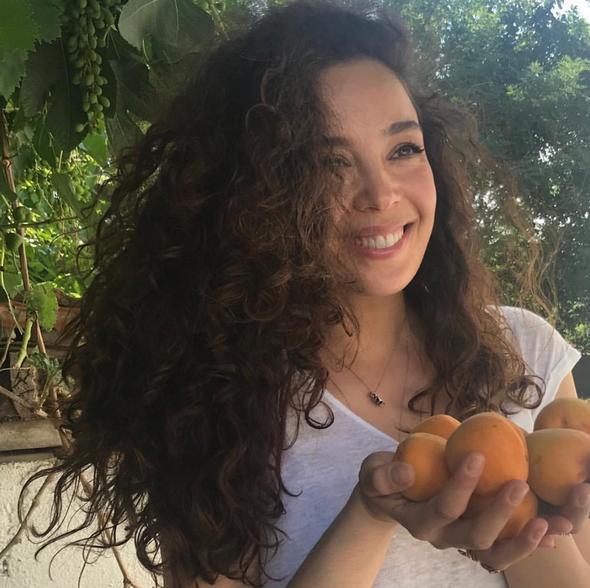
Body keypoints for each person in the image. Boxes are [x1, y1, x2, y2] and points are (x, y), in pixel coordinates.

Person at [19, 1, 589, 587]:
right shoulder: (214, 406)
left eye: (403, 149)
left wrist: (522, 516)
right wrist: (369, 513)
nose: (379, 194)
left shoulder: (527, 354)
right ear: (252, 196)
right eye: (326, 163)